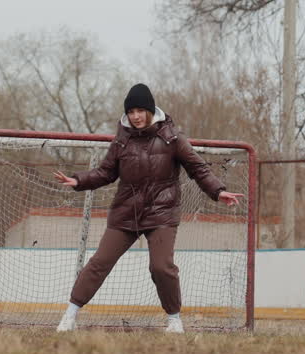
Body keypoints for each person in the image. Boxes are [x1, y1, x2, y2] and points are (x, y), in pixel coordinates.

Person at [52, 83, 244, 333]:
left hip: (161, 213)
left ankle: (174, 320)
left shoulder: (172, 138)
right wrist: (78, 180)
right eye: (131, 112)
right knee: (100, 262)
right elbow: (105, 172)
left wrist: (218, 191)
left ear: (151, 110)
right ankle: (70, 316)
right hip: (125, 212)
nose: (136, 116)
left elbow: (198, 168)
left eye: (141, 110)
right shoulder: (122, 141)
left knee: (161, 267)